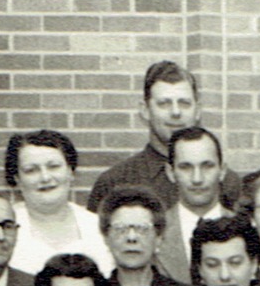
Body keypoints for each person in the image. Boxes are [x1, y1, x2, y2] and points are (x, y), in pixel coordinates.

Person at [88, 60, 236, 214]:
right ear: (145, 110)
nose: (176, 112)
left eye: (184, 103)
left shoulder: (227, 183)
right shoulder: (116, 183)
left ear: (197, 110)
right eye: (164, 103)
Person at [6, 130, 113, 276]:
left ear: (70, 171)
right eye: (31, 170)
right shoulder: (4, 229)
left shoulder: (98, 228)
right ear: (17, 179)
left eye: (53, 166)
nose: (45, 177)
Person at [94, 190, 186, 286]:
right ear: (106, 237)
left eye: (142, 229)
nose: (131, 238)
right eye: (121, 229)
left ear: (159, 238)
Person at [156, 125, 235, 285]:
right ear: (171, 173)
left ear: (222, 170)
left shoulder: (247, 229)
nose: (197, 178)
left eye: (207, 166)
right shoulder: (155, 232)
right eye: (186, 167)